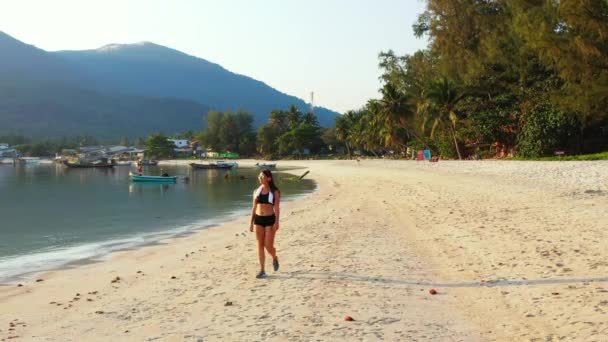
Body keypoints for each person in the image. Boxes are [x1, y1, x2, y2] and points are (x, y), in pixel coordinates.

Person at [249, 168, 281, 279]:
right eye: (259, 176)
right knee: (259, 245)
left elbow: (276, 208)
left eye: (262, 176)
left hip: (270, 220)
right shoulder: (256, 191)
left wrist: (277, 222)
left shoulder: (274, 192)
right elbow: (253, 207)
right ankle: (262, 270)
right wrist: (251, 223)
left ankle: (274, 257)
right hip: (258, 220)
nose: (260, 178)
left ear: (269, 178)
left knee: (268, 246)